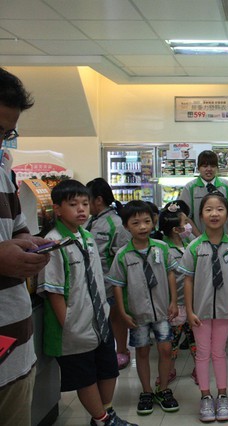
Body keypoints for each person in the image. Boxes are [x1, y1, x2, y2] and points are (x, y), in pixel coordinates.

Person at [37, 179, 136, 426]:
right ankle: (102, 420)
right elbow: (53, 291)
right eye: (73, 204)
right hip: (74, 326)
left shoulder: (87, 237)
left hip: (99, 320)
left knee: (108, 369)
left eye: (85, 203)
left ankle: (107, 413)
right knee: (85, 377)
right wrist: (70, 325)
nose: (81, 209)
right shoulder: (53, 243)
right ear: (57, 209)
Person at [0, 67, 50, 426]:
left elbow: (17, 230)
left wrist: (29, 245)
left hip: (15, 358)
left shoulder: (3, 172)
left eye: (7, 133)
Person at [106, 201, 179, 415]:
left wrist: (174, 301)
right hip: (137, 314)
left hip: (162, 311)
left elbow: (171, 273)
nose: (142, 227)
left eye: (147, 221)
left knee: (166, 350)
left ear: (153, 222)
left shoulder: (162, 248)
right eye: (136, 223)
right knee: (142, 351)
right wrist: (122, 312)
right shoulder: (123, 255)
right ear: (126, 226)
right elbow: (117, 285)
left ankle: (163, 389)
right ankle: (146, 391)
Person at [179, 192, 228, 422]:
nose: (214, 214)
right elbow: (188, 280)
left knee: (219, 352)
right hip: (200, 311)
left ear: (227, 214)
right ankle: (206, 397)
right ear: (200, 215)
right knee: (202, 353)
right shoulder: (194, 247)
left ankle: (223, 395)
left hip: (225, 310)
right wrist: (189, 310)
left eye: (219, 209)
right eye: (208, 209)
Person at [86, 177, 132, 370]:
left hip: (110, 282)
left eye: (86, 200)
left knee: (116, 317)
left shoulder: (116, 223)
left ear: (98, 200)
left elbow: (124, 255)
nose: (83, 206)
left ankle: (122, 350)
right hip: (95, 281)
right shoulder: (92, 221)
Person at [156, 201, 196, 387]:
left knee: (195, 341)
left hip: (192, 303)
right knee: (172, 343)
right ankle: (169, 370)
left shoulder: (189, 244)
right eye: (185, 222)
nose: (189, 225)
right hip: (174, 304)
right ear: (175, 229)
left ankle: (198, 369)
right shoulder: (163, 249)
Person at [179, 150, 228, 237]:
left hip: (224, 239)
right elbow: (186, 217)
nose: (209, 169)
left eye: (213, 166)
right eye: (205, 166)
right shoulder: (190, 188)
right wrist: (200, 239)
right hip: (198, 240)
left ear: (217, 168)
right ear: (198, 168)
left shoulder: (226, 186)